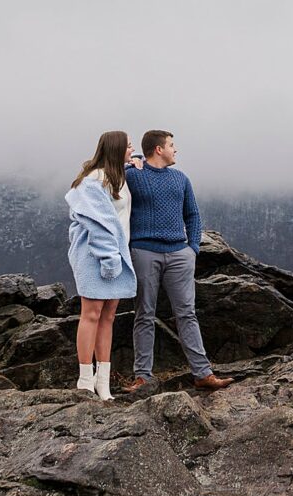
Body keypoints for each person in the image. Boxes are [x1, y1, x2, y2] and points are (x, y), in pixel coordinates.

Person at [122, 129, 232, 393]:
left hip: (179, 254)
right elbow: (109, 175)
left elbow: (193, 215)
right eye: (172, 145)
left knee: (187, 314)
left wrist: (192, 249)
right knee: (144, 314)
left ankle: (203, 373)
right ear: (158, 149)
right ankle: (143, 377)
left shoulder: (181, 179)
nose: (176, 149)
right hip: (144, 252)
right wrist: (131, 160)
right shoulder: (133, 175)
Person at [64, 131, 136, 402]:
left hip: (117, 256)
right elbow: (98, 224)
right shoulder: (93, 181)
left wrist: (135, 163)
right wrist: (109, 258)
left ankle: (102, 381)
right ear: (117, 149)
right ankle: (85, 379)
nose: (133, 150)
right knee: (91, 313)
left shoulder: (116, 176)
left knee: (108, 316)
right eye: (129, 147)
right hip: (95, 256)